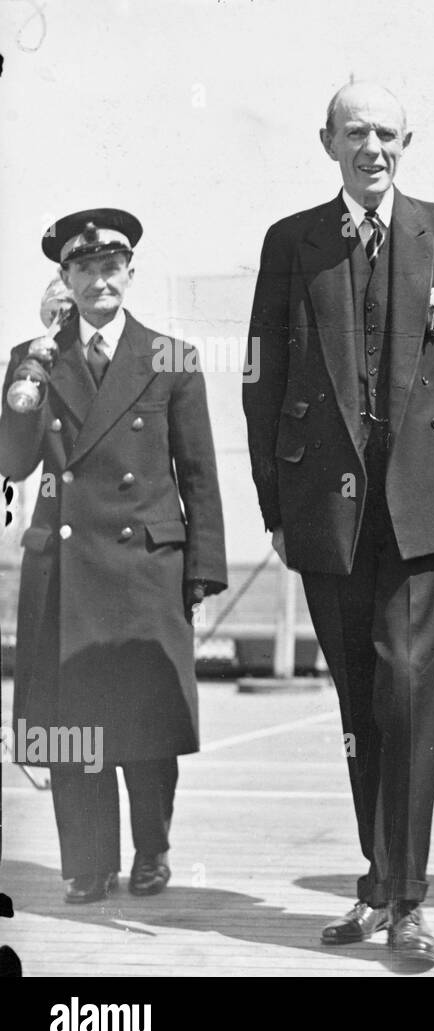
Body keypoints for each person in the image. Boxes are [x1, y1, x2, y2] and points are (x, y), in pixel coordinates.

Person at [243, 81, 434, 965]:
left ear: (408, 139)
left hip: (423, 509)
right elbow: (260, 382)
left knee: (410, 694)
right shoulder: (290, 243)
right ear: (327, 141)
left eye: (386, 133)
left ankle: (409, 900)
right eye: (356, 132)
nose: (372, 147)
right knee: (360, 699)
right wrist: (276, 507)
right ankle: (377, 881)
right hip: (326, 511)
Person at [0, 208, 227, 903]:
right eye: (85, 268)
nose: (101, 279)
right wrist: (34, 363)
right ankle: (89, 863)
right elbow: (13, 460)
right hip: (68, 566)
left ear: (129, 273)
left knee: (148, 716)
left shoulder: (171, 357)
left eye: (111, 267)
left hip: (146, 566)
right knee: (73, 724)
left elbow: (198, 473)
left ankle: (152, 850)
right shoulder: (35, 358)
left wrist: (204, 568)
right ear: (64, 278)